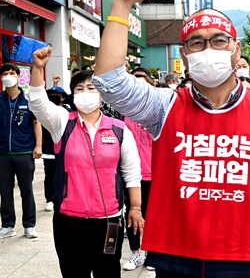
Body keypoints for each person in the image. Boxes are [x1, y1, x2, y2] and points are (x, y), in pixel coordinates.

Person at [91, 0, 250, 277]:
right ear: (184, 56)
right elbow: (109, 82)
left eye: (218, 40)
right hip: (177, 257)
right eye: (196, 43)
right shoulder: (164, 107)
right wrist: (122, 3)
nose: (208, 49)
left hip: (245, 258)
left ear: (236, 49)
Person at [28, 51, 143, 277]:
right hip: (69, 221)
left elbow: (131, 172)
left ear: (102, 95)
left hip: (108, 219)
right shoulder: (62, 122)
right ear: (72, 95)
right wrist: (38, 68)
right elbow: (37, 102)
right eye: (79, 89)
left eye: (91, 88)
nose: (85, 93)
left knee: (108, 273)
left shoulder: (119, 129)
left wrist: (136, 208)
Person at [0, 63, 42, 239]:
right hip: (2, 153)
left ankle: (29, 225)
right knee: (5, 190)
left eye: (12, 73)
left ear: (18, 76)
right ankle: (8, 225)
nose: (9, 76)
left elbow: (36, 123)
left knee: (27, 189)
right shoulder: (0, 99)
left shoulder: (28, 99)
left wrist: (38, 145)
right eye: (5, 73)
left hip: (24, 151)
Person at [122, 68, 155, 272]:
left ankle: (151, 253)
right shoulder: (123, 111)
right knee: (132, 213)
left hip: (156, 174)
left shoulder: (158, 112)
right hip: (131, 174)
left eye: (143, 82)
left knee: (153, 216)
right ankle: (135, 254)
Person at [41, 86, 70, 212]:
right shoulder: (45, 112)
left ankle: (65, 196)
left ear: (63, 97)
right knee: (50, 175)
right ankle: (50, 199)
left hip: (67, 150)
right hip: (49, 150)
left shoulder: (70, 111)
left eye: (58, 95)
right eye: (52, 95)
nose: (55, 97)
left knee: (66, 175)